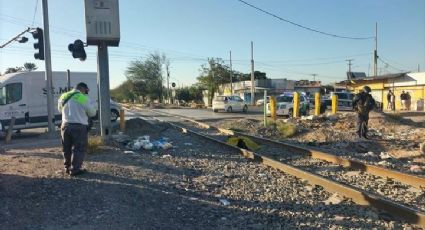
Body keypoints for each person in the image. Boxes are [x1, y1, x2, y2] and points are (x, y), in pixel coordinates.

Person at [58, 82, 96, 176]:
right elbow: (92, 113)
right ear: (83, 88)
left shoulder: (64, 95)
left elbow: (60, 109)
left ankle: (67, 167)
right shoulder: (82, 97)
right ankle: (75, 170)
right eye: (86, 91)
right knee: (79, 149)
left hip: (65, 126)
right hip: (79, 126)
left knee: (66, 148)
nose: (86, 93)